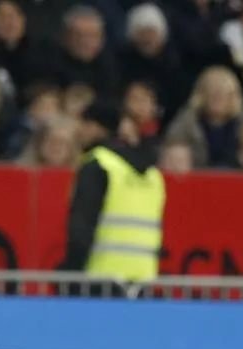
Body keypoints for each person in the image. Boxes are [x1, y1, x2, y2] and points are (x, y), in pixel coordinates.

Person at [59, 101, 166, 297]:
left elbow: (81, 228)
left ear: (96, 128)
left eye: (83, 124)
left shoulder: (99, 165)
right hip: (143, 283)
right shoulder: (153, 174)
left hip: (100, 281)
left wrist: (70, 274)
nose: (79, 131)